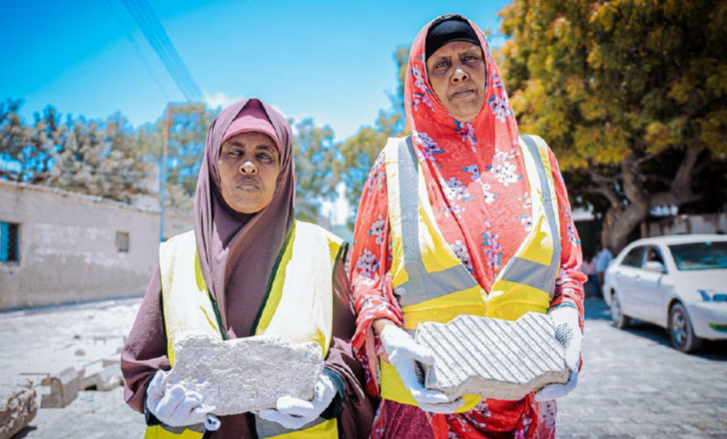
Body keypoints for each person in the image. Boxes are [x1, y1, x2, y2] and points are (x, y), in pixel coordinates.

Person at [349, 14, 586, 439]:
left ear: (488, 67)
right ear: (423, 80)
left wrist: (568, 314)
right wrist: (392, 341)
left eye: (470, 58)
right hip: (427, 401)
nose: (458, 72)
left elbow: (567, 266)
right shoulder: (395, 165)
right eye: (441, 64)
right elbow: (365, 277)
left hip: (528, 402)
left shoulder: (537, 157)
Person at [121, 98, 374, 439]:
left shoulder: (323, 252)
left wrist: (328, 389)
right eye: (235, 152)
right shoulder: (176, 255)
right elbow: (141, 361)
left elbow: (351, 352)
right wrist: (156, 399)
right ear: (214, 163)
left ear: (283, 170)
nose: (249, 166)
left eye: (265, 155)